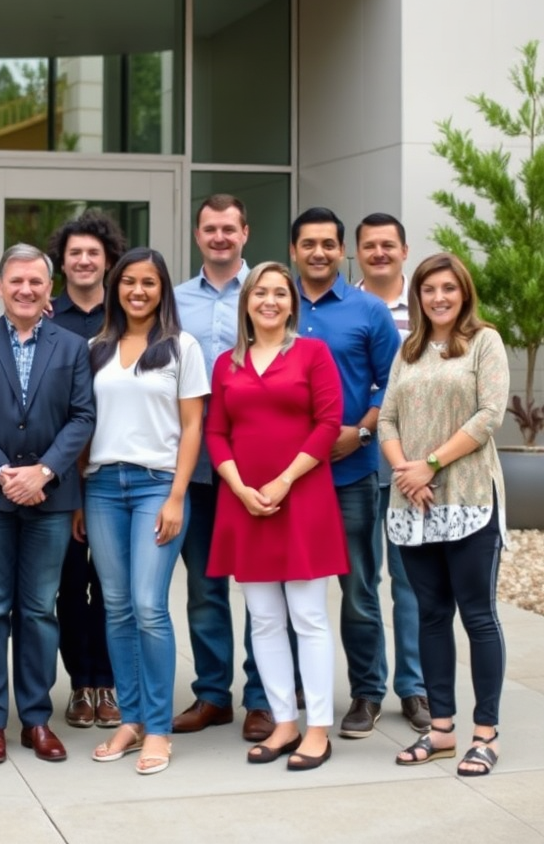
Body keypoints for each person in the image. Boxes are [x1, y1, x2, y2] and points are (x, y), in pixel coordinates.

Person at [0, 244, 95, 765]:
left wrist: (45, 472)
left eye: (36, 282)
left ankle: (35, 719)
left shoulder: (73, 345)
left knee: (39, 609)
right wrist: (2, 472)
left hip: (51, 498)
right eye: (17, 282)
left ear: (47, 287)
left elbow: (82, 416)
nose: (27, 290)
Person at [206, 261, 347, 770]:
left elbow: (330, 423)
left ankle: (317, 729)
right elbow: (216, 432)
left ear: (292, 303)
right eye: (260, 292)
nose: (269, 301)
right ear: (246, 302)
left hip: (302, 498)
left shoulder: (313, 353)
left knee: (308, 618)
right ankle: (283, 721)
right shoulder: (226, 363)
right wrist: (241, 487)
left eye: (279, 293)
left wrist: (284, 479)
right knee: (263, 619)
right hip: (245, 501)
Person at [379, 253, 508, 777]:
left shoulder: (485, 342)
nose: (439, 298)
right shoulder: (408, 351)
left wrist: (429, 464)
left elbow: (489, 415)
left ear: (463, 293)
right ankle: (441, 732)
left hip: (470, 497)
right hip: (413, 503)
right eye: (429, 289)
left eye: (448, 289)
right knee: (430, 617)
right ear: (418, 295)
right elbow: (386, 417)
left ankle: (486, 734)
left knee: (477, 616)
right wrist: (405, 473)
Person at [85, 248, 206, 776]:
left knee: (148, 606)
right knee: (115, 606)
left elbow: (194, 426)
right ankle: (130, 719)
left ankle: (158, 728)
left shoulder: (182, 346)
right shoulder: (95, 348)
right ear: (116, 288)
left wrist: (178, 495)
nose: (138, 291)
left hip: (158, 484)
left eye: (149, 283)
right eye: (129, 282)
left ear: (162, 291)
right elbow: (83, 424)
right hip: (102, 487)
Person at [290, 206, 399, 740]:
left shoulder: (368, 311)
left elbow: (389, 385)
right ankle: (285, 693)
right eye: (308, 243)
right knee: (285, 587)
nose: (318, 252)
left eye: (328, 244)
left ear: (342, 251)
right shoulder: (272, 304)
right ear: (293, 250)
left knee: (357, 586)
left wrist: (359, 431)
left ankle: (366, 692)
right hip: (287, 477)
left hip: (349, 471)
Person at [173, 194, 274, 743]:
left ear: (244, 233)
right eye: (209, 229)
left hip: (259, 464)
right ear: (197, 236)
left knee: (259, 583)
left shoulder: (267, 293)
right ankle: (213, 694)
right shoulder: (175, 299)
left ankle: (262, 698)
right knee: (205, 586)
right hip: (198, 468)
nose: (219, 237)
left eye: (228, 228)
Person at [46, 209, 126, 731]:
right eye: (74, 253)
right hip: (64, 475)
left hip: (118, 471)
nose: (82, 260)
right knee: (71, 586)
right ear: (62, 261)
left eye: (92, 253)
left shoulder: (127, 316)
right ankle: (80, 683)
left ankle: (110, 681)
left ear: (108, 261)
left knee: (115, 586)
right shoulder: (48, 318)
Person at [354, 213, 429, 732]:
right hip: (357, 467)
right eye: (369, 246)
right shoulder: (342, 307)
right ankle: (366, 689)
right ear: (356, 253)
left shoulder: (430, 309)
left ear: (404, 250)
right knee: (360, 584)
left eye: (388, 245)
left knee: (410, 583)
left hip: (412, 474)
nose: (379, 253)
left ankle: (416, 687)